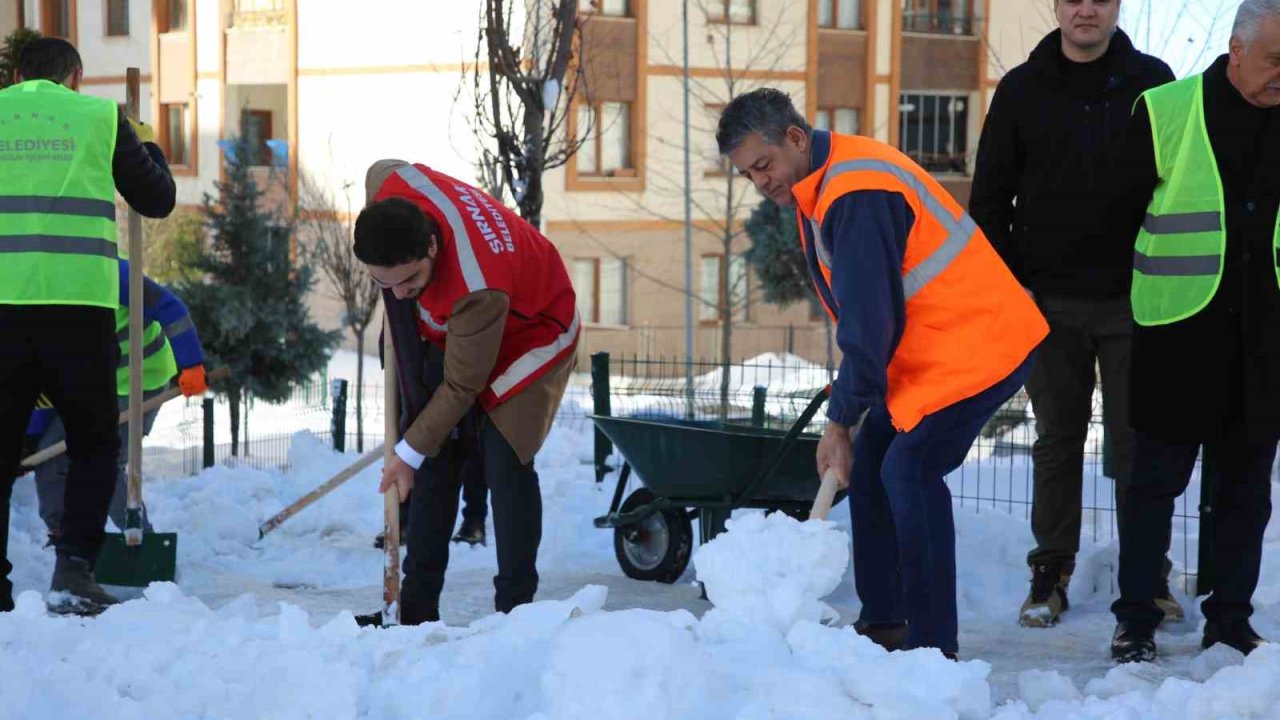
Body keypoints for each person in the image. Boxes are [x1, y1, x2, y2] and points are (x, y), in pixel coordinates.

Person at [717, 89, 1047, 658]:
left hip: (981, 346)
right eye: (748, 174)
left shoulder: (855, 192)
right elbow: (867, 315)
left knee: (909, 471)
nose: (760, 182)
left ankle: (931, 651)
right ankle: (886, 624)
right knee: (871, 467)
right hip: (933, 353)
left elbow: (871, 323)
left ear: (795, 138)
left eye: (763, 165)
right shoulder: (823, 181)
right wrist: (852, 413)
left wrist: (840, 420)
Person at [969, 0, 1179, 627]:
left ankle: (1148, 576)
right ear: (1058, 7)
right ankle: (1049, 573)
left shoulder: (1154, 82)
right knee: (1057, 440)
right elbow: (989, 201)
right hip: (1048, 303)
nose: (1087, 8)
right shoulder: (1021, 89)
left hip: (1136, 299)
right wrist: (1017, 287)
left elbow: (1176, 186)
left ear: (1117, 6)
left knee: (1139, 443)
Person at [1107, 0, 1280, 663]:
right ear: (1236, 49)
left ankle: (1230, 621)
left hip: (1265, 338)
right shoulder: (1165, 110)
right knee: (1152, 486)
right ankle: (1135, 620)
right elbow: (1117, 217)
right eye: (1275, 60)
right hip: (1177, 332)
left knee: (1246, 492)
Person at [354, 159, 577, 624]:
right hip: (460, 330)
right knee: (435, 456)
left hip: (533, 329)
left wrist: (406, 453)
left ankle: (515, 614)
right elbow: (380, 168)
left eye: (410, 280)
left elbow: (462, 386)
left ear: (432, 246)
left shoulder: (475, 284)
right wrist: (419, 450)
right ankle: (415, 611)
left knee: (504, 461)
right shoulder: (391, 184)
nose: (399, 295)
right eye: (384, 284)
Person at [0, 38, 176, 614]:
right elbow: (157, 199)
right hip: (79, 311)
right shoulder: (102, 118)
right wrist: (147, 145)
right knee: (93, 443)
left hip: (4, 307)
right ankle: (73, 571)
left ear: (18, 75)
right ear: (75, 76)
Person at [26, 259, 206, 539]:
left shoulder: (107, 271)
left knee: (105, 463)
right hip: (91, 385)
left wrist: (191, 363)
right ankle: (66, 540)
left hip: (140, 382)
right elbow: (45, 383)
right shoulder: (34, 300)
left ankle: (140, 540)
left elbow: (169, 306)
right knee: (49, 457)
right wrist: (30, 440)